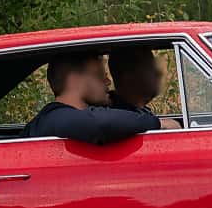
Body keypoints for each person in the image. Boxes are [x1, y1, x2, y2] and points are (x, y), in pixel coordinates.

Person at [23, 51, 178, 142]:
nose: (108, 81)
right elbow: (101, 123)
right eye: (100, 76)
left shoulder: (64, 119)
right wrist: (158, 124)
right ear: (75, 81)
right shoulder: (54, 119)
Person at [107, 46, 165, 116]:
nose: (159, 73)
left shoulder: (138, 112)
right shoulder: (121, 118)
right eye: (150, 67)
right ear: (128, 77)